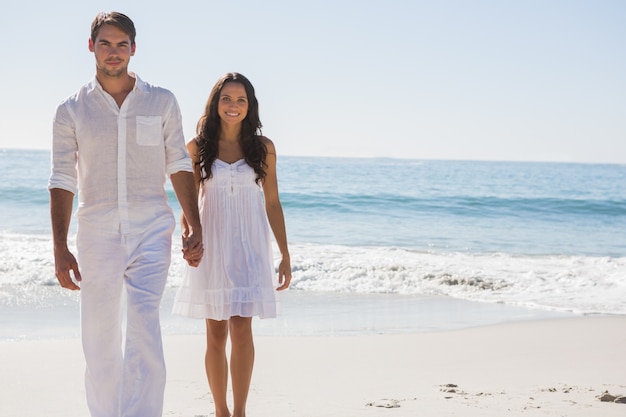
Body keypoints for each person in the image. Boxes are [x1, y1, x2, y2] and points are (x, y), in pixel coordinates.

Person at [48, 12, 203, 417]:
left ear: (134, 48)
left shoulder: (162, 101)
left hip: (152, 231)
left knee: (144, 326)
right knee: (98, 338)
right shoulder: (71, 110)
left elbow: (179, 164)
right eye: (105, 43)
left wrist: (195, 222)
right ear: (91, 47)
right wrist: (60, 247)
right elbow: (62, 178)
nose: (113, 52)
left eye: (121, 44)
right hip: (97, 234)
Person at [172, 72, 292, 417]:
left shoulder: (263, 148)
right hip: (213, 246)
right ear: (215, 103)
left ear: (250, 106)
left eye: (241, 100)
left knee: (242, 329)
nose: (233, 106)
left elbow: (272, 203)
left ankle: (239, 412)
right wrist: (189, 236)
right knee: (215, 333)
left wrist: (285, 254)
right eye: (227, 99)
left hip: (250, 246)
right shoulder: (197, 148)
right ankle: (220, 411)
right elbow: (189, 203)